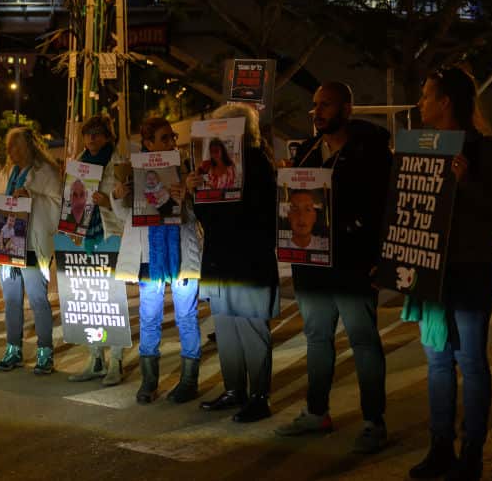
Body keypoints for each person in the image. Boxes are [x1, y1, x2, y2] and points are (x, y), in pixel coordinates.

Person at [275, 81, 392, 455]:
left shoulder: (371, 150)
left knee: (363, 340)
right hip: (312, 266)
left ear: (346, 108)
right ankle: (317, 412)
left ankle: (374, 421)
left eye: (326, 105)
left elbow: (385, 207)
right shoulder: (309, 150)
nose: (318, 111)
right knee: (317, 338)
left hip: (354, 263)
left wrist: (379, 256)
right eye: (315, 105)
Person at [408, 67, 492, 481]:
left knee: (470, 361)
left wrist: (464, 180)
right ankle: (440, 447)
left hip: (471, 270)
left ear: (446, 102)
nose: (420, 104)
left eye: (426, 96)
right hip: (430, 269)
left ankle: (472, 451)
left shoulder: (486, 150)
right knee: (436, 360)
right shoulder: (421, 148)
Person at [188, 103, 279, 423]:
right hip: (220, 258)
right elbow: (209, 220)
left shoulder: (257, 163)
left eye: (222, 128)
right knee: (225, 329)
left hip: (248, 259)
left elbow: (259, 215)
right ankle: (234, 389)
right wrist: (197, 192)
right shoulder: (215, 166)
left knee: (251, 329)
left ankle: (259, 396)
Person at [112, 116, 202, 405]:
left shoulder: (186, 168)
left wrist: (188, 193)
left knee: (186, 317)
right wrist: (118, 197)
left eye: (172, 138)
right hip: (148, 254)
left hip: (180, 251)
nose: (171, 143)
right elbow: (125, 217)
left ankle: (189, 381)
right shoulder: (134, 172)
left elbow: (199, 213)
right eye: (164, 138)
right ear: (148, 143)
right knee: (150, 317)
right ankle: (149, 381)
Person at [0, 127, 62, 375]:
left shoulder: (45, 172)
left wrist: (32, 196)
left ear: (29, 145)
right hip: (6, 244)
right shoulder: (5, 173)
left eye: (15, 145)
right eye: (8, 146)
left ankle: (45, 352)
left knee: (37, 300)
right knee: (11, 300)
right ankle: (13, 349)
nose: (10, 150)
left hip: (32, 245)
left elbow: (58, 205)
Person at [67, 114, 127, 387]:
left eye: (97, 133)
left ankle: (116, 361)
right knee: (88, 302)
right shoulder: (77, 165)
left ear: (107, 136)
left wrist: (108, 201)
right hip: (83, 236)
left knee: (112, 302)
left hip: (109, 235)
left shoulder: (118, 163)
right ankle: (95, 358)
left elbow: (128, 207)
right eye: (88, 133)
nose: (92, 138)